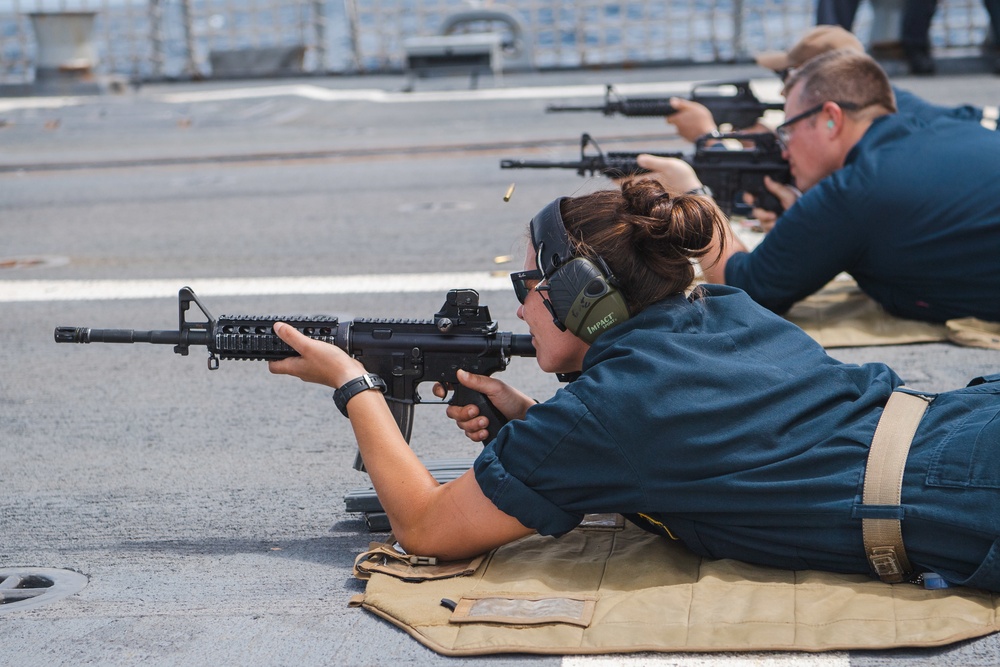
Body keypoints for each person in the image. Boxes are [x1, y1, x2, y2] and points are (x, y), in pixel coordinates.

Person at [266, 179, 1000, 591]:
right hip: (966, 425)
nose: (519, 303)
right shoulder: (720, 307)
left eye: (527, 282)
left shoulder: (608, 413)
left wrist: (353, 383)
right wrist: (532, 424)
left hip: (963, 494)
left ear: (586, 295)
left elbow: (425, 528)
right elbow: (692, 437)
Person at [641, 48, 1000, 324]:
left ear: (831, 119)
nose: (785, 146)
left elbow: (743, 289)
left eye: (790, 128)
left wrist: (692, 193)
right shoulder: (936, 124)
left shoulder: (852, 190)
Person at [666, 25, 998, 144]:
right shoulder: (889, 105)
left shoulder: (876, 133)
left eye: (789, 77)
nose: (784, 89)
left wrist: (711, 141)